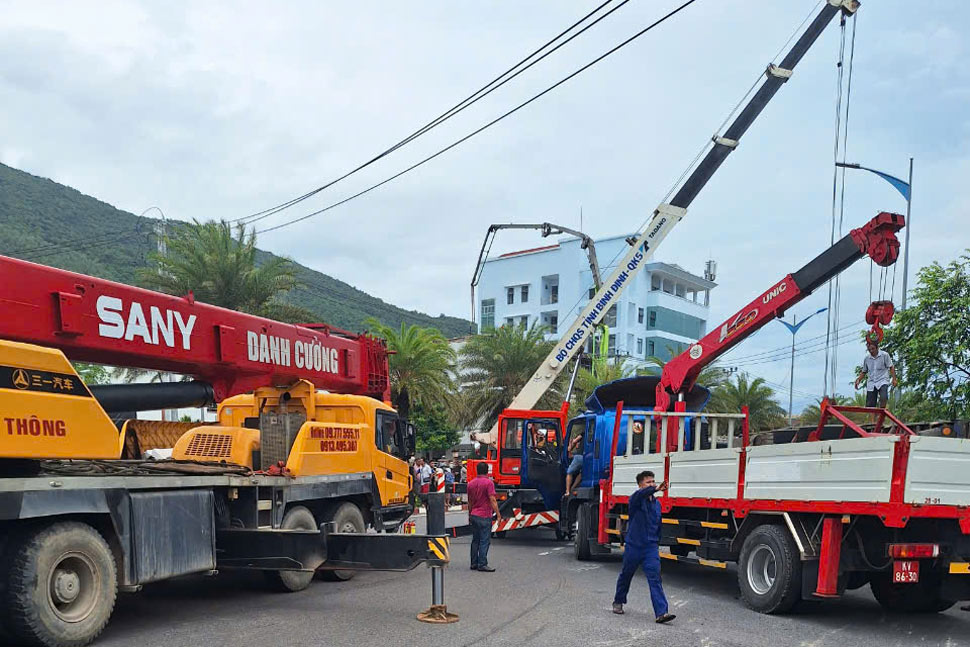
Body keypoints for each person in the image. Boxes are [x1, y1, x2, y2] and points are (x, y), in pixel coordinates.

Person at [612, 470, 675, 624]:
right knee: (626, 574)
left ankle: (661, 613)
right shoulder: (635, 499)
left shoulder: (657, 504)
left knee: (655, 578)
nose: (652, 484)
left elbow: (658, 524)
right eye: (648, 482)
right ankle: (618, 601)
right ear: (640, 485)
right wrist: (656, 489)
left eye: (653, 481)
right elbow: (641, 495)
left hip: (650, 547)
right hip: (634, 546)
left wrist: (656, 542)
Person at [467, 462, 502, 572]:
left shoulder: (470, 484)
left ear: (477, 470)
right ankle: (482, 564)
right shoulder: (488, 483)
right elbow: (492, 500)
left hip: (474, 514)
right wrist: (498, 515)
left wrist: (470, 513)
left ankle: (473, 563)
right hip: (484, 515)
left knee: (475, 540)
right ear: (487, 471)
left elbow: (470, 501)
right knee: (484, 540)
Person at [854, 340, 899, 418]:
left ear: (877, 348)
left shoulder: (885, 355)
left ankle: (882, 414)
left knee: (883, 396)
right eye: (869, 349)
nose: (871, 351)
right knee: (870, 405)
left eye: (873, 349)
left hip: (883, 379)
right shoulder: (867, 359)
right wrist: (858, 380)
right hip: (872, 382)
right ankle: (873, 420)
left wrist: (894, 379)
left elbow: (891, 367)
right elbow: (864, 371)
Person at [564, 432, 584, 496]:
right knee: (581, 473)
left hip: (579, 456)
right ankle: (573, 488)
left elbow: (575, 441)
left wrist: (570, 447)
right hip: (587, 457)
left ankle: (567, 491)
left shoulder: (583, 433)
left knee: (569, 472)